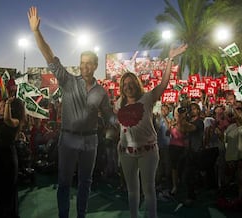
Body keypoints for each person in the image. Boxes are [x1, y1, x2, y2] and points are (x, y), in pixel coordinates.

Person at [28, 6, 116, 218]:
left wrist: (122, 120)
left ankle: (81, 215)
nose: (84, 66)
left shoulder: (101, 91)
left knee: (86, 182)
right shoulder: (67, 81)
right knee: (64, 183)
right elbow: (50, 56)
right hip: (67, 139)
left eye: (88, 63)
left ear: (95, 65)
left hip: (91, 141)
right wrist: (36, 32)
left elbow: (108, 115)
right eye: (82, 63)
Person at [115, 44, 188, 218]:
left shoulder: (147, 98)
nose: (128, 86)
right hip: (126, 153)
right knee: (132, 191)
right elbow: (122, 127)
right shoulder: (119, 103)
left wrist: (170, 59)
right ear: (122, 87)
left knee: (148, 190)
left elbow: (164, 83)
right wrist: (120, 143)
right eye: (125, 84)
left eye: (131, 83)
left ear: (136, 84)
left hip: (148, 152)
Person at [0, 97, 25, 218]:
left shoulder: (16, 121)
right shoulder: (0, 121)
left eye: (2, 107)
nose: (0, 108)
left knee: (8, 190)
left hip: (9, 158)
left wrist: (7, 103)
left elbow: (7, 119)